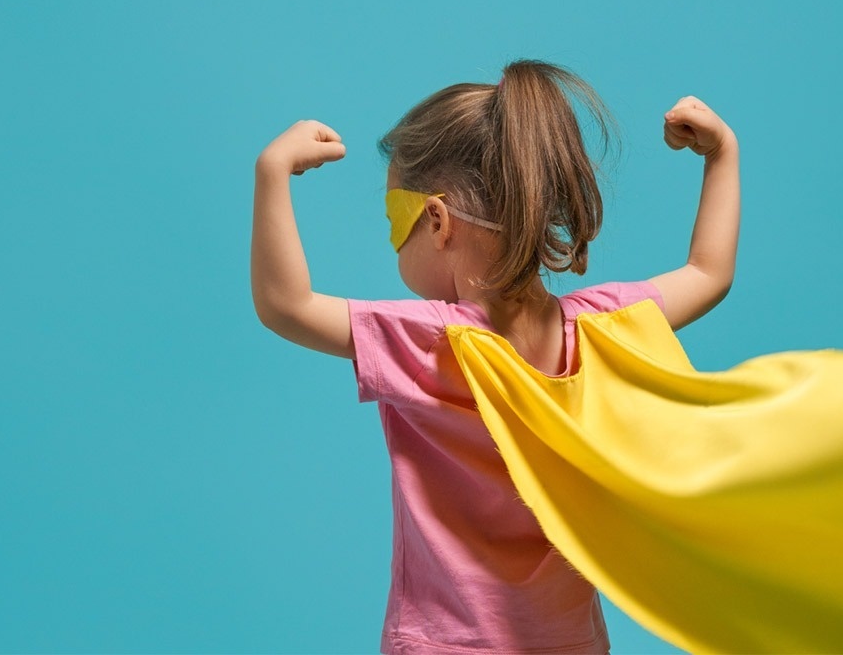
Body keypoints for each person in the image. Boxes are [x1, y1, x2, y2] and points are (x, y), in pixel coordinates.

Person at [249, 58, 737, 654]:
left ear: (436, 220)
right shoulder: (601, 327)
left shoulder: (426, 340)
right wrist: (721, 156)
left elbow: (285, 305)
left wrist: (272, 172)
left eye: (391, 220)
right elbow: (708, 274)